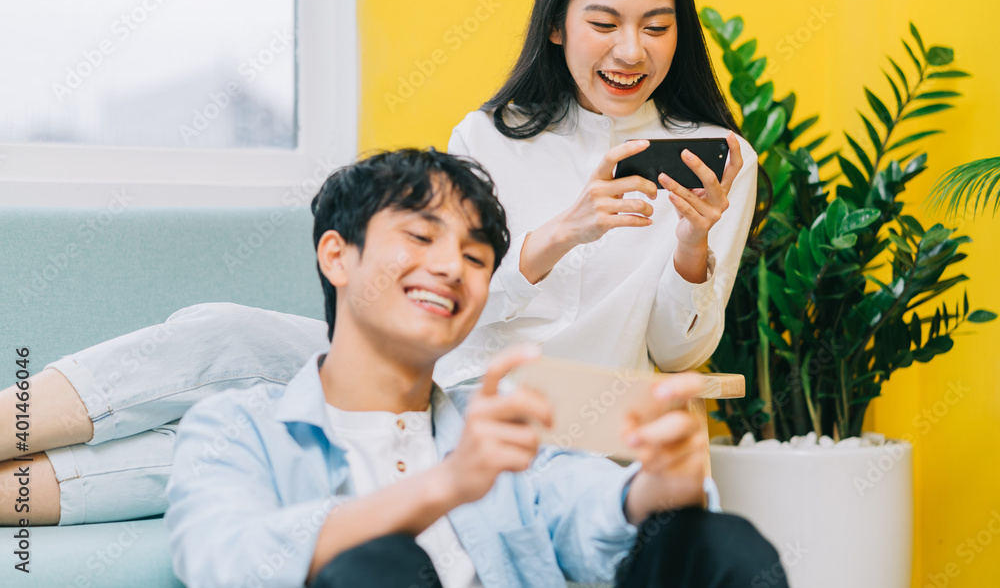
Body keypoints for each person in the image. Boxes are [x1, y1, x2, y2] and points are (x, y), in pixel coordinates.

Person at [0, 0, 762, 526]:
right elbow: (454, 305)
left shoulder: (720, 160)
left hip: (546, 416)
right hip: (430, 363)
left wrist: (692, 245)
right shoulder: (492, 135)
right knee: (219, 330)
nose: (631, 50)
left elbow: (678, 348)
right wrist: (557, 236)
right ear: (559, 26)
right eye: (604, 22)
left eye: (656, 27)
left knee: (255, 434)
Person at [166, 148, 786, 588]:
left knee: (717, 542)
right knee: (374, 565)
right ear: (338, 256)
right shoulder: (237, 427)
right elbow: (224, 559)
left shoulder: (491, 432)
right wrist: (447, 484)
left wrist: (664, 481)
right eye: (419, 237)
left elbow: (591, 508)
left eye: (475, 255)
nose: (451, 267)